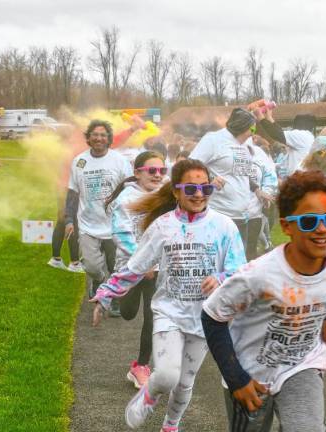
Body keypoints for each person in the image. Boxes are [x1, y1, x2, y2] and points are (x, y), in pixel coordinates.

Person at [91, 159, 246, 431]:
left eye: (205, 188)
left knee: (186, 383)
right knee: (166, 375)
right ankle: (149, 394)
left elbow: (238, 271)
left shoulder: (225, 227)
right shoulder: (163, 226)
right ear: (176, 191)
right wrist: (106, 293)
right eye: (190, 189)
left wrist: (221, 278)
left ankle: (170, 426)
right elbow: (136, 266)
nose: (199, 194)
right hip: (169, 312)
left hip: (206, 317)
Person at [201, 170, 326, 432]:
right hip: (251, 373)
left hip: (303, 363)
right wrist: (236, 378)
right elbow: (212, 316)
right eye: (309, 221)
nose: (323, 229)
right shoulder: (257, 275)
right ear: (287, 226)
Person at [104, 151, 168, 389]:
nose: (158, 175)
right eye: (152, 170)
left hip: (158, 268)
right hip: (130, 265)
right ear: (137, 172)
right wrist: (143, 262)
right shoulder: (126, 199)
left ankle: (141, 366)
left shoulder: (165, 196)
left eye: (162, 170)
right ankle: (117, 298)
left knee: (153, 315)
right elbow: (121, 234)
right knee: (129, 312)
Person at [64, 120, 133, 302]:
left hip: (114, 224)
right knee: (92, 266)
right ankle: (98, 280)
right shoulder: (79, 161)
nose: (99, 138)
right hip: (88, 225)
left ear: (109, 138)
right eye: (95, 134)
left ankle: (114, 298)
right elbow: (72, 192)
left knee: (115, 266)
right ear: (89, 137)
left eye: (103, 135)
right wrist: (69, 220)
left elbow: (131, 190)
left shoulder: (120, 161)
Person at [190, 108, 255, 250]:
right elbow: (190, 166)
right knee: (215, 263)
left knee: (237, 266)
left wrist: (257, 189)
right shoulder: (214, 139)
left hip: (242, 216)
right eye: (252, 129)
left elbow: (241, 175)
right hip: (219, 214)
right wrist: (209, 180)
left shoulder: (245, 145)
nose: (253, 133)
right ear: (242, 127)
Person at [254, 108, 315, 176]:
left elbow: (277, 134)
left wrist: (260, 117)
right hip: (300, 178)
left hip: (299, 179)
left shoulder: (302, 135)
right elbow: (280, 131)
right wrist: (269, 118)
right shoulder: (307, 137)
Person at [246, 137, 278, 260]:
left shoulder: (259, 154)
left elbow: (270, 176)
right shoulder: (225, 150)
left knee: (250, 253)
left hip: (254, 213)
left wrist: (267, 193)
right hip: (231, 214)